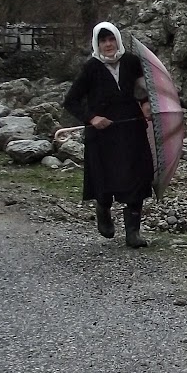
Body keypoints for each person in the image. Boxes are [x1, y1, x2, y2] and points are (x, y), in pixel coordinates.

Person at [62, 22, 154, 248]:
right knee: (105, 179)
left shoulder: (132, 62)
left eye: (111, 39)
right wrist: (92, 118)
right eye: (103, 41)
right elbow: (71, 100)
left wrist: (145, 104)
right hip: (102, 136)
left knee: (137, 178)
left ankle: (133, 233)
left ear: (117, 40)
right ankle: (103, 209)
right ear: (97, 43)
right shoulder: (91, 68)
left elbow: (144, 88)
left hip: (131, 132)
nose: (108, 45)